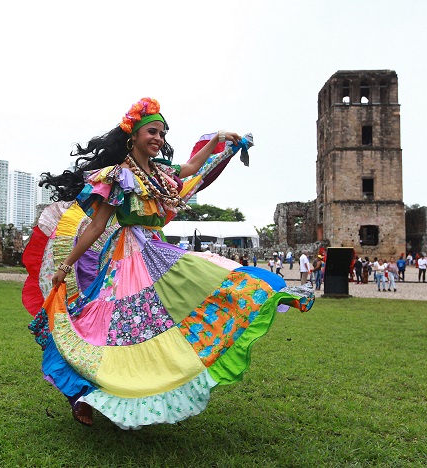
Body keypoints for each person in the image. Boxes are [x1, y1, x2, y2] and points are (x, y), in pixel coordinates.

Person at [21, 97, 314, 430]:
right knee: (110, 332)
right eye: (152, 132)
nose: (159, 139)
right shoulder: (118, 177)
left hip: (155, 250)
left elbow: (190, 169)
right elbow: (97, 227)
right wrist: (64, 267)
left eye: (162, 133)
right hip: (126, 261)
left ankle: (268, 292)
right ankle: (83, 396)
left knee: (204, 274)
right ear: (133, 136)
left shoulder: (160, 172)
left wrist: (217, 139)